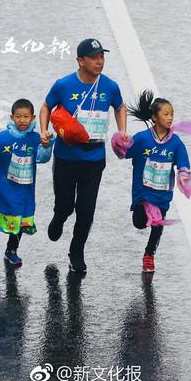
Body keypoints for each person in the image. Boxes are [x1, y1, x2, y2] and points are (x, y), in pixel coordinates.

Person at [39, 38, 129, 274]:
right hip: (66, 159)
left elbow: (120, 106)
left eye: (102, 56)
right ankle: (59, 217)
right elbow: (46, 106)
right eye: (94, 57)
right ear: (80, 61)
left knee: (86, 210)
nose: (100, 61)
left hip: (93, 160)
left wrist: (122, 130)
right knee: (66, 205)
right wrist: (44, 130)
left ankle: (76, 251)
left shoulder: (110, 87)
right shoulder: (63, 85)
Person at [112, 90, 191, 273]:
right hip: (142, 193)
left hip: (161, 195)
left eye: (172, 114)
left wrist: (184, 175)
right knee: (139, 222)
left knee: (158, 225)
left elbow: (183, 163)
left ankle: (149, 255)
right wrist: (120, 141)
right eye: (166, 114)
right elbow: (124, 153)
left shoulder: (175, 143)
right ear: (154, 117)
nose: (170, 118)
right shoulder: (142, 139)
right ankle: (144, 219)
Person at [0, 99, 54, 266]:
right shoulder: (2, 139)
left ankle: (11, 250)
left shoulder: (35, 139)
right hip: (6, 188)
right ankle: (11, 248)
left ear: (33, 118)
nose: (22, 120)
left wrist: (46, 145)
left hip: (25, 190)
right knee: (12, 217)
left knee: (20, 219)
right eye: (18, 116)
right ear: (12, 117)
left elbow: (42, 159)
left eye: (26, 117)